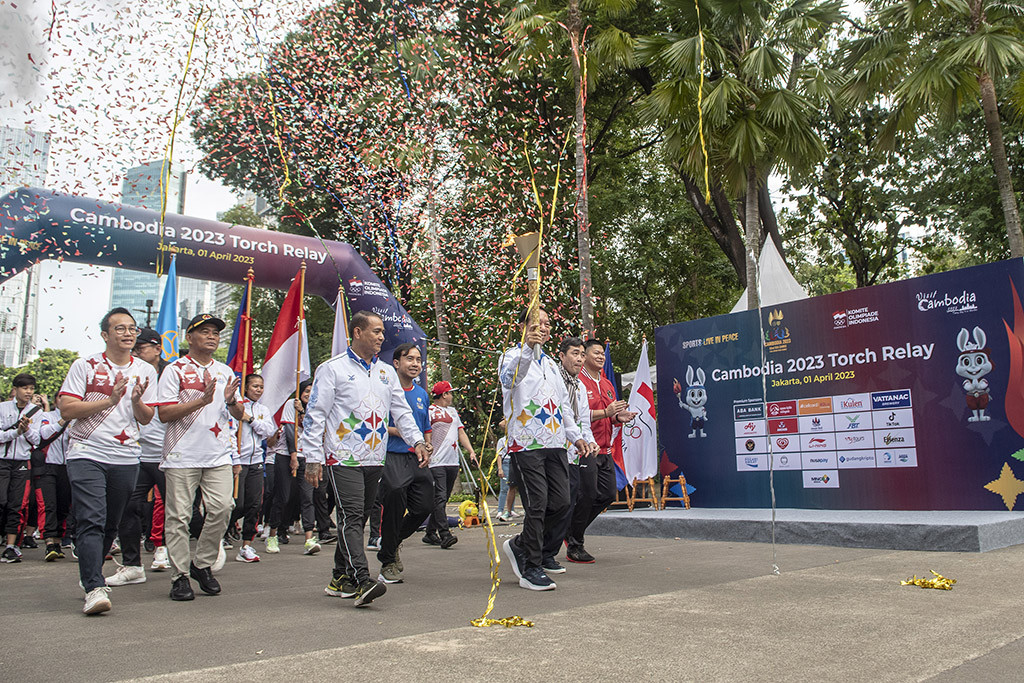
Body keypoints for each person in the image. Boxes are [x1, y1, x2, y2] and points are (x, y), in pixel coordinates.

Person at [302, 311, 428, 608]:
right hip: (342, 456)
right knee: (353, 516)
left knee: (353, 518)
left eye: (383, 332)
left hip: (374, 456)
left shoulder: (385, 372)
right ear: (357, 332)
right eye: (376, 331)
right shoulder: (332, 369)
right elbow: (315, 415)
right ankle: (361, 580)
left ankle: (339, 577)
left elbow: (401, 412)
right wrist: (312, 457)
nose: (381, 337)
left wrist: (418, 441)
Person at [57, 308, 159, 614]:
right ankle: (94, 587)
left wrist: (136, 400)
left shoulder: (146, 370)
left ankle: (90, 571)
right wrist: (110, 400)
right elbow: (67, 410)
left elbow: (146, 417)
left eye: (132, 328)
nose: (128, 333)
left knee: (110, 524)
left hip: (126, 456)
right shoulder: (85, 365)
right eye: (120, 329)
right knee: (92, 518)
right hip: (87, 452)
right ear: (105, 335)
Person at [499, 308, 590, 591]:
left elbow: (563, 406)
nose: (544, 328)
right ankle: (531, 566)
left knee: (562, 501)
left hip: (554, 444)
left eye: (548, 324)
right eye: (537, 324)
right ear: (524, 327)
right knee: (537, 505)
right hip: (526, 444)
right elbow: (509, 380)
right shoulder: (512, 356)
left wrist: (575, 436)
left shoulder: (551, 365)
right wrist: (527, 347)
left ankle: (521, 545)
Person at [155, 314, 243, 601]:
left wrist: (230, 400)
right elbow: (164, 413)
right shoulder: (175, 370)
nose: (212, 337)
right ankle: (179, 575)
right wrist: (201, 401)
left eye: (215, 333)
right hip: (182, 453)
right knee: (179, 517)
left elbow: (239, 413)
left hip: (217, 453)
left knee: (223, 508)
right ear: (189, 337)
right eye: (204, 332)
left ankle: (201, 564)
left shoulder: (225, 371)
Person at [106, 329, 172, 587]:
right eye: (134, 348)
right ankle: (133, 565)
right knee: (128, 508)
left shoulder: (173, 373)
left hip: (168, 455)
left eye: (142, 347)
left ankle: (168, 550)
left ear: (157, 349)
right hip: (134, 453)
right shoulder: (128, 373)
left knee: (176, 509)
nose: (136, 352)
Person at [569, 338, 636, 563]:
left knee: (607, 495)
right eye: (596, 353)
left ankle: (571, 531)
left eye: (602, 354)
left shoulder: (607, 384)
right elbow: (574, 417)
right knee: (586, 495)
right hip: (585, 448)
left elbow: (610, 414)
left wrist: (618, 417)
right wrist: (606, 413)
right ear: (584, 356)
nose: (600, 357)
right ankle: (575, 544)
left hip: (605, 449)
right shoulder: (577, 382)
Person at [376, 342, 433, 584]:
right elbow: (377, 423)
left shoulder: (421, 393)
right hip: (392, 455)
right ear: (396, 363)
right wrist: (400, 432)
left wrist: (427, 444)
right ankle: (388, 561)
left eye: (418, 360)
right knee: (395, 500)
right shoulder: (384, 390)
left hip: (417, 456)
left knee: (425, 506)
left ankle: (392, 540)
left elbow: (425, 426)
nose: (415, 364)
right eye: (409, 359)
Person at [548, 337, 597, 573]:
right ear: (562, 355)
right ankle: (542, 550)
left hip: (574, 451)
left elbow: (583, 420)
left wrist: (589, 442)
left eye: (581, 355)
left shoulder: (580, 386)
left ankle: (555, 548)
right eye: (574, 354)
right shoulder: (552, 379)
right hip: (553, 449)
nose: (579, 359)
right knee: (557, 503)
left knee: (579, 497)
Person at [423, 381, 477, 548]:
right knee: (439, 497)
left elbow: (461, 432)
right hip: (436, 461)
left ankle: (430, 533)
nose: (452, 396)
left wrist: (470, 451)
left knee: (443, 498)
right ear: (444, 394)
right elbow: (425, 432)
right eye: (450, 393)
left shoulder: (453, 412)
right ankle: (445, 534)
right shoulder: (430, 411)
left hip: (452, 461)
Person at [231, 374, 277, 563]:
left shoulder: (262, 410)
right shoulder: (236, 407)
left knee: (254, 505)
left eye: (261, 386)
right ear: (246, 388)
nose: (258, 390)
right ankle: (222, 532)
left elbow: (268, 431)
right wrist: (235, 460)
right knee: (237, 503)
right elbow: (231, 433)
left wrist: (250, 420)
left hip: (257, 461)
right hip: (238, 461)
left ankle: (246, 545)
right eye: (255, 386)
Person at [0, 374, 42, 563]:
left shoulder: (36, 411)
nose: (28, 392)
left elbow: (37, 440)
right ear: (15, 390)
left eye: (31, 388)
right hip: (2, 460)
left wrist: (27, 430)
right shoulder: (2, 408)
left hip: (23, 462)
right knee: (2, 501)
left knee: (17, 504)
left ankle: (11, 545)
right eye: (25, 388)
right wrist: (16, 432)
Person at [35, 405, 72, 561]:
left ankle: (57, 542)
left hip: (68, 466)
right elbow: (44, 433)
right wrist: (63, 420)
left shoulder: (77, 418)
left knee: (63, 505)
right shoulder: (47, 416)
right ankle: (49, 541)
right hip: (48, 466)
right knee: (49, 504)